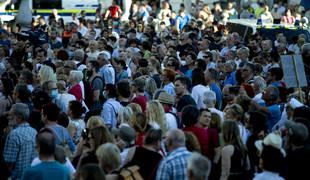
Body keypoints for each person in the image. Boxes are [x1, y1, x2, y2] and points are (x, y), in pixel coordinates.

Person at [3, 103, 37, 180]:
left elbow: (9, 163)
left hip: (16, 177)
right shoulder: (34, 131)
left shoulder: (14, 134)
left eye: (11, 115)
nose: (8, 117)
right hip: (31, 176)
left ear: (19, 118)